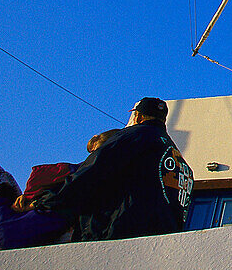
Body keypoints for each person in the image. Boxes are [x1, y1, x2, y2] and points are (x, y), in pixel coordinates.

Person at [34, 97, 194, 241]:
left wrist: (44, 202)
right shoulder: (181, 162)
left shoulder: (134, 136)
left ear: (137, 116)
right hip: (162, 243)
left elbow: (93, 171)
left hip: (119, 233)